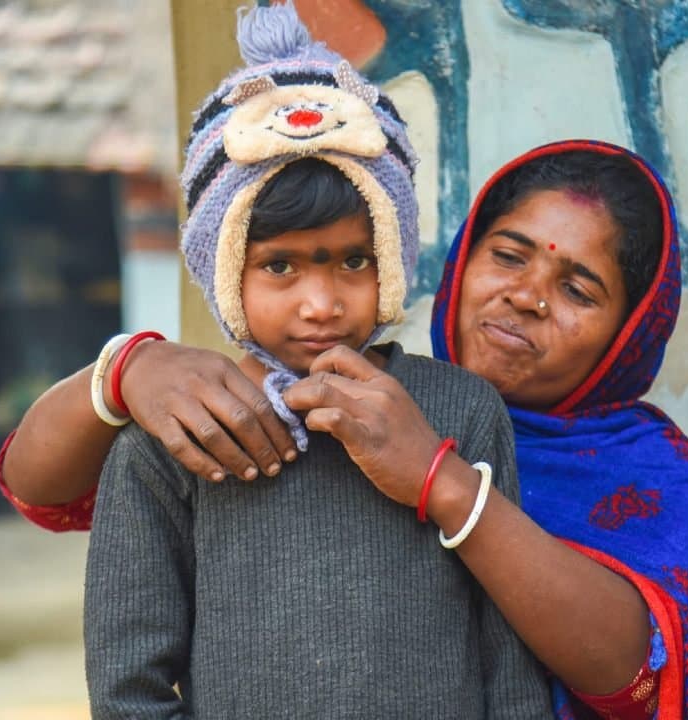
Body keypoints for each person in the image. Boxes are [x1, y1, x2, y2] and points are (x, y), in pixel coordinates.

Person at [0, 74, 688, 720]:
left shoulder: (603, 460)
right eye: (508, 256)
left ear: (631, 330)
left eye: (578, 290)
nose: (527, 297)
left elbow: (632, 680)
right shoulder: (198, 412)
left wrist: (440, 480)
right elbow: (44, 499)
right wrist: (123, 368)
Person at [79, 4, 552, 718]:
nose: (321, 304)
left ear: (391, 256)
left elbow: (511, 672)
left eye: (354, 261)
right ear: (223, 268)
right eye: (280, 266)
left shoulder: (462, 410)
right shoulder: (172, 437)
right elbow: (127, 688)